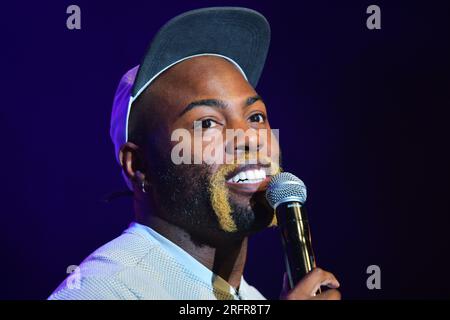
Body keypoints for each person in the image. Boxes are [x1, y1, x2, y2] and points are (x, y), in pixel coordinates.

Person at [49, 7, 340, 300]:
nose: (249, 138)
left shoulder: (250, 298)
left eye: (255, 117)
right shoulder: (102, 291)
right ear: (139, 165)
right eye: (207, 122)